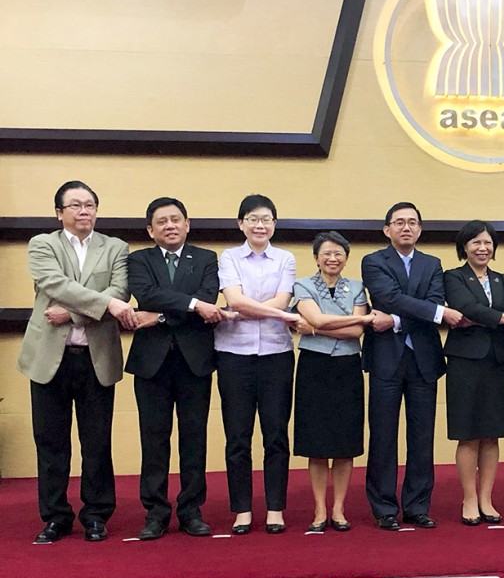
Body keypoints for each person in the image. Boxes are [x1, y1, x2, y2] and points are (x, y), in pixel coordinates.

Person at [18, 180, 135, 543]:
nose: (84, 211)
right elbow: (54, 283)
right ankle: (56, 516)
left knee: (97, 441)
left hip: (96, 357)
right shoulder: (43, 244)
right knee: (50, 441)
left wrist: (72, 314)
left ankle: (96, 514)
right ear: (59, 213)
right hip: (48, 358)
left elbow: (120, 291)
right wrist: (104, 305)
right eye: (75, 205)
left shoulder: (116, 247)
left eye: (90, 205)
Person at [126, 196, 228, 540]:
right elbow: (146, 293)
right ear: (150, 230)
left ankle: (191, 511)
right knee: (153, 439)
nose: (169, 226)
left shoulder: (206, 258)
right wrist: (193, 305)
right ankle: (155, 513)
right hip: (151, 363)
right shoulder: (139, 259)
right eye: (162, 221)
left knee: (194, 438)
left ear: (187, 224)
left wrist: (159, 317)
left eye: (175, 219)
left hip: (194, 361)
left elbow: (209, 298)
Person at [362, 202, 463, 531]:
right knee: (383, 435)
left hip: (424, 360)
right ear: (387, 229)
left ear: (420, 229)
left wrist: (393, 320)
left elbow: (432, 304)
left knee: (422, 436)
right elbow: (388, 297)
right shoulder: (374, 261)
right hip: (385, 359)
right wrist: (432, 313)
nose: (406, 227)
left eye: (412, 222)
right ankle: (384, 507)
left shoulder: (432, 264)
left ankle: (418, 505)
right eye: (399, 222)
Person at [215, 194, 298, 535]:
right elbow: (234, 299)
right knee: (237, 435)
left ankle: (275, 508)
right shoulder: (229, 257)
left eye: (266, 219)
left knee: (276, 434)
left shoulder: (286, 258)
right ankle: (242, 510)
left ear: (274, 224)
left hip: (276, 354)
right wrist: (279, 314)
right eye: (252, 219)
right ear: (241, 224)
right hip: (233, 354)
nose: (259, 225)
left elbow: (282, 298)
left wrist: (253, 309)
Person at [443, 220, 504, 525]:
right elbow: (466, 306)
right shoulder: (453, 277)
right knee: (468, 434)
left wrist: (492, 317)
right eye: (476, 242)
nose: (482, 248)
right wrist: (503, 319)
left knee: (492, 434)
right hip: (465, 362)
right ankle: (468, 498)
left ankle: (486, 499)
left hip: (498, 361)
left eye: (487, 243)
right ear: (464, 247)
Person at [292, 231, 375, 533]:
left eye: (339, 253)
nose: (332, 258)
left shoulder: (357, 287)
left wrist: (316, 329)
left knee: (344, 442)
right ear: (316, 257)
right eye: (326, 253)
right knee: (315, 443)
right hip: (313, 367)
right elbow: (320, 319)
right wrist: (359, 319)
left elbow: (354, 333)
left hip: (347, 367)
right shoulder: (302, 285)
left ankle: (339, 508)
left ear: (346, 258)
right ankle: (319, 509)